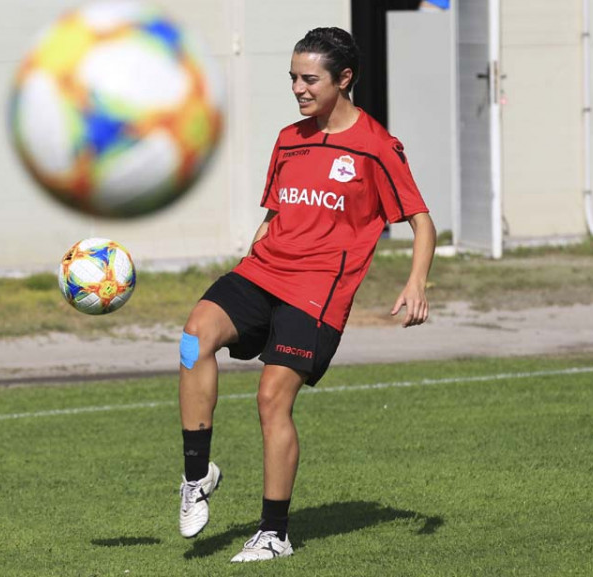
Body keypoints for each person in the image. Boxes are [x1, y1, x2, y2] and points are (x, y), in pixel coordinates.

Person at [176, 27, 436, 562]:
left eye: (309, 78)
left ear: (344, 79)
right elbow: (274, 213)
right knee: (192, 339)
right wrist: (256, 246)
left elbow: (421, 221)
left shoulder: (375, 146)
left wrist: (416, 281)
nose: (298, 87)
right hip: (264, 270)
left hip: (317, 292)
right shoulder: (289, 138)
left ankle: (274, 534)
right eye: (293, 77)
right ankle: (197, 476)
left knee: (272, 400)